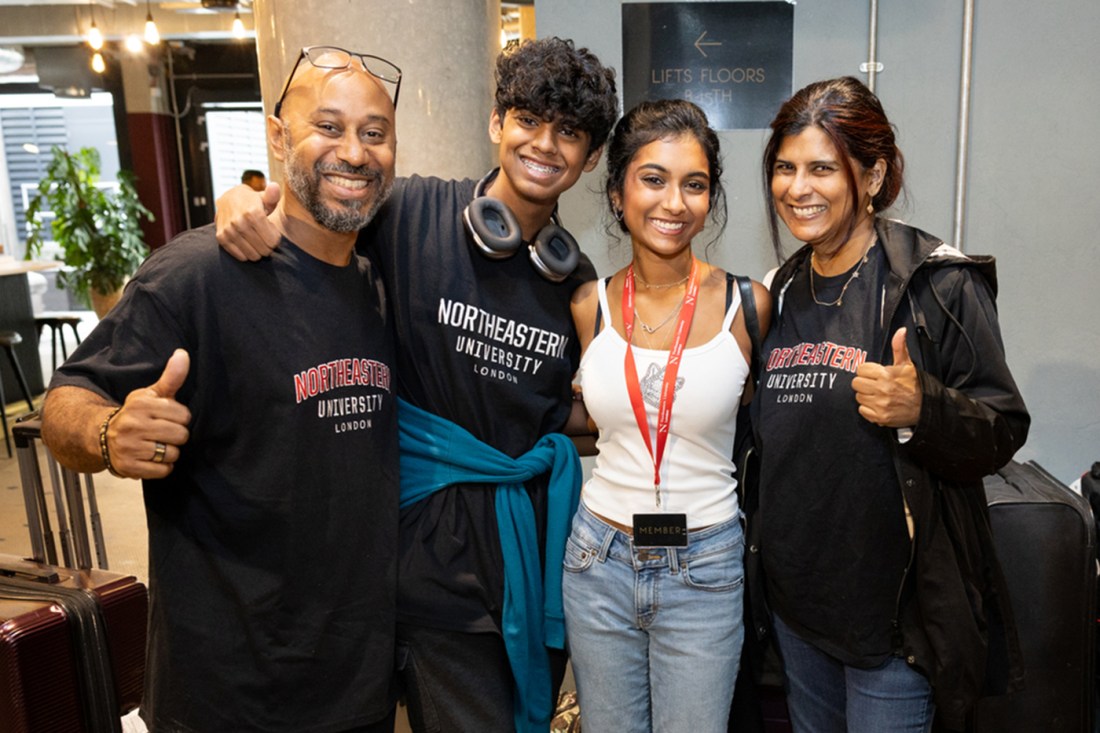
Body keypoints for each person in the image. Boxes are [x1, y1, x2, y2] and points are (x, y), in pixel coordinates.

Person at [215, 37, 618, 733]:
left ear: (590, 157)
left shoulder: (576, 285)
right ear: (497, 122)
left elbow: (582, 411)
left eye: (571, 132)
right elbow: (319, 213)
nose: (545, 144)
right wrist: (247, 198)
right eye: (529, 119)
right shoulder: (408, 214)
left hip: (515, 570)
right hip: (405, 567)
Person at [40, 46, 402, 732]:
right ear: (276, 134)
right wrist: (111, 432)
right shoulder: (196, 275)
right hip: (226, 692)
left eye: (374, 132)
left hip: (355, 686)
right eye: (328, 126)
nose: (354, 152)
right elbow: (65, 403)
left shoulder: (383, 277)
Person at [753, 76, 1029, 732]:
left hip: (895, 626)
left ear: (872, 176)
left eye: (823, 168)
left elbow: (1003, 425)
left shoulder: (940, 283)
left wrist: (923, 407)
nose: (799, 188)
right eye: (785, 168)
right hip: (797, 613)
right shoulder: (779, 292)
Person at [564, 98, 771, 733]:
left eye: (695, 184)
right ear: (618, 189)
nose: (673, 203)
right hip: (598, 559)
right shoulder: (586, 305)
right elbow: (590, 422)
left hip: (704, 563)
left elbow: (758, 423)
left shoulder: (749, 306)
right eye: (653, 179)